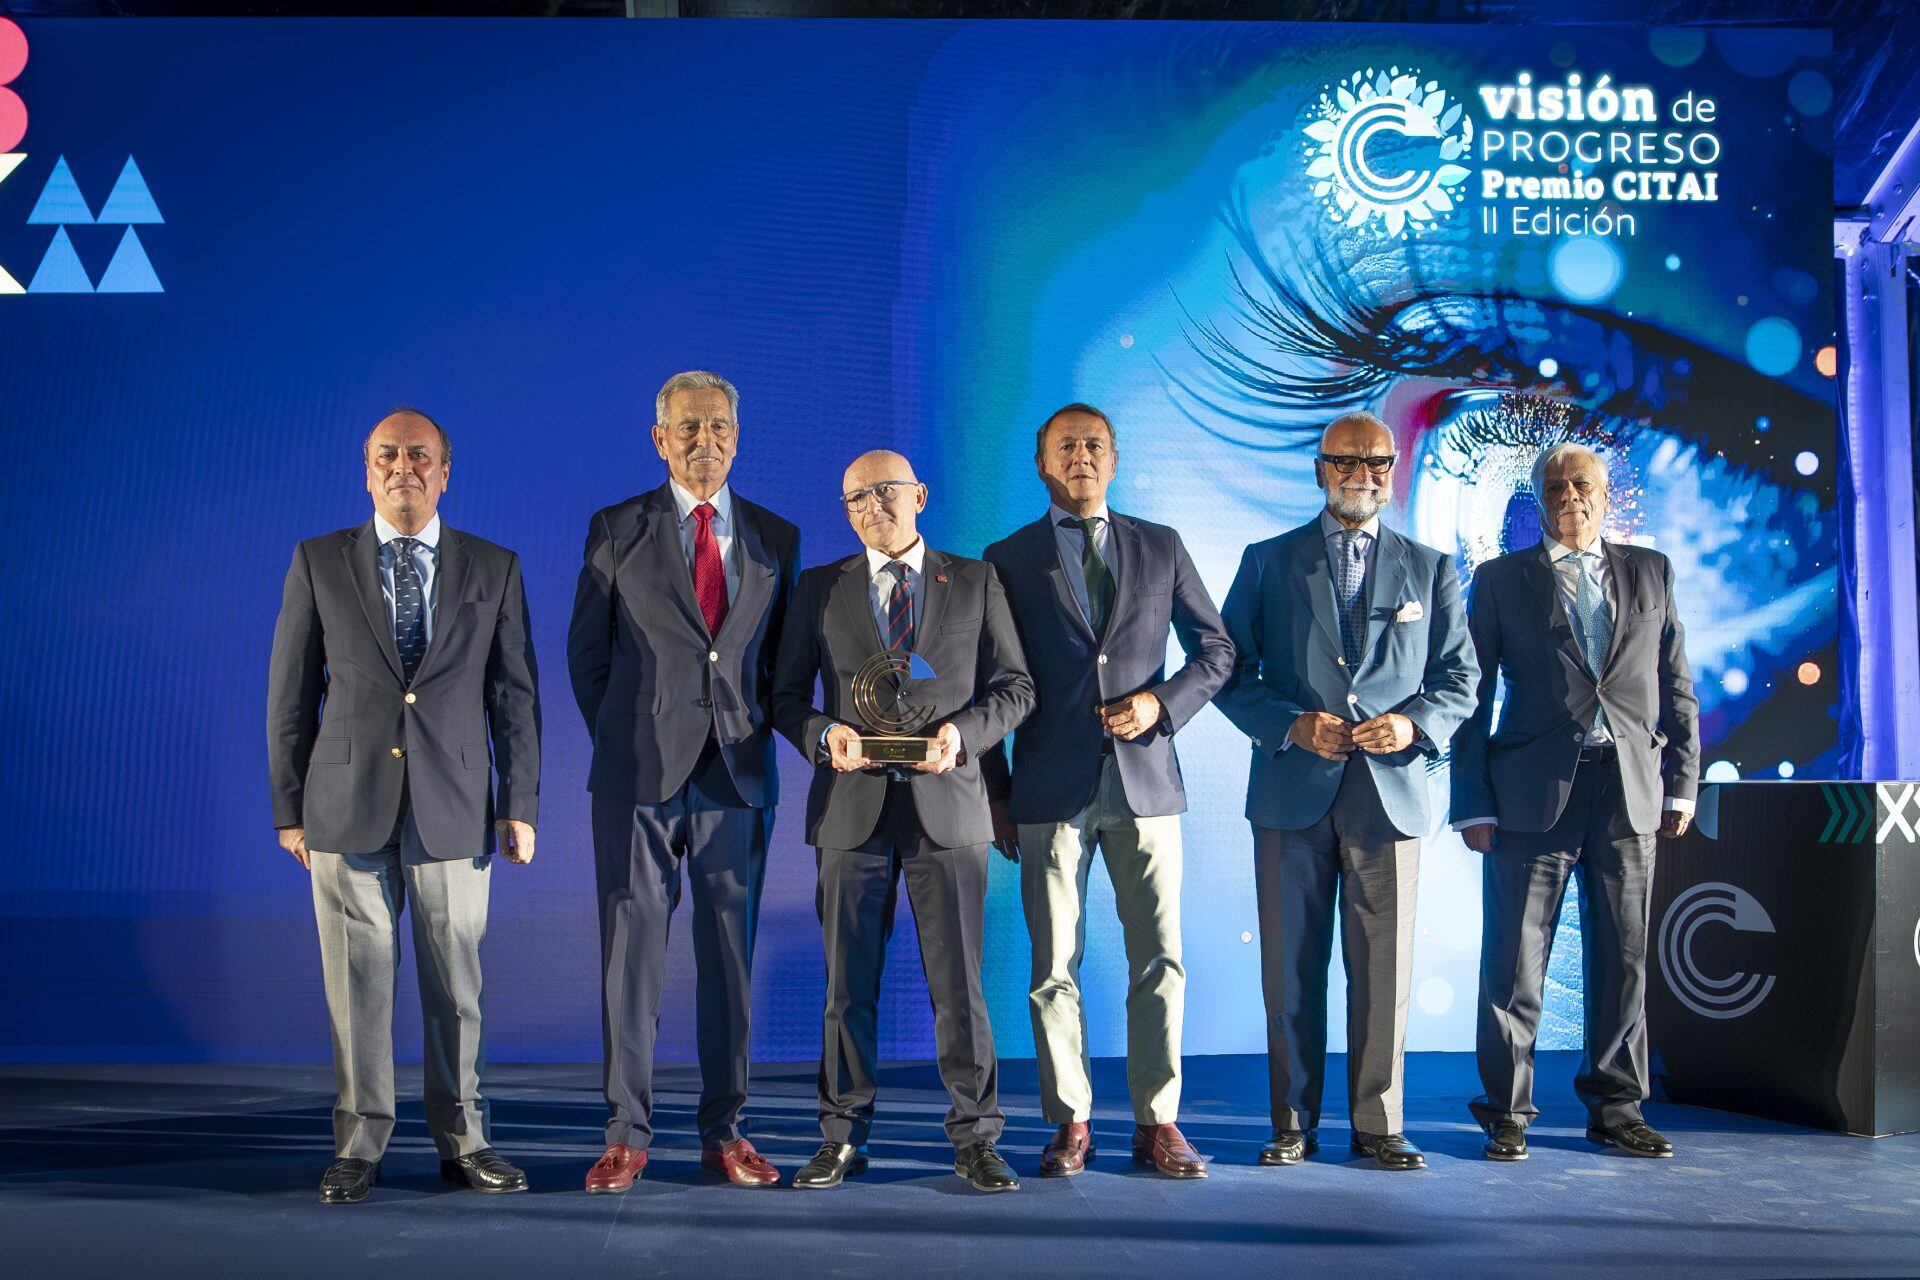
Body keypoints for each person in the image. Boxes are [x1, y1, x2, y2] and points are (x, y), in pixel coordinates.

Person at [267, 409, 540, 1204]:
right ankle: (359, 1145)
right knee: (357, 984)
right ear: (366, 471)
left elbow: (514, 696)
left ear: (445, 471)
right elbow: (291, 695)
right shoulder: (320, 561)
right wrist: (290, 810)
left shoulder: (495, 566)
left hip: (456, 808)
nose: (403, 467)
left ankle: (466, 1142)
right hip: (343, 806)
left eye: (419, 455)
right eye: (386, 455)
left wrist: (519, 801)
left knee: (458, 988)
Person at [1215, 410, 1475, 1171]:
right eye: (1348, 462)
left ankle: (1379, 1125)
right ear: (1320, 469)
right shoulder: (1267, 562)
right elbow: (1227, 670)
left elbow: (1460, 679)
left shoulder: (1431, 568)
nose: (1364, 475)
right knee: (1290, 969)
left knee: (1383, 973)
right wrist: (1293, 726)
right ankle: (1292, 1123)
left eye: (1379, 463)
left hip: (1390, 794)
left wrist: (1415, 725)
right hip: (1291, 792)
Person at [771, 450, 1035, 1192]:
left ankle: (976, 1138)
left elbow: (1015, 687)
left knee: (961, 988)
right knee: (846, 989)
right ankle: (841, 1136)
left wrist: (966, 736)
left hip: (949, 808)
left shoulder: (976, 580)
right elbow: (786, 696)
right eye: (855, 497)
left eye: (885, 492)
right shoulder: (820, 588)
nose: (871, 507)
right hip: (850, 813)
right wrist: (825, 735)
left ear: (919, 494)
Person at [981, 403, 1233, 1179]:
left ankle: (1160, 1122)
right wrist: (996, 794)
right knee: (1054, 964)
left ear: (1114, 460)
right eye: (1066, 446)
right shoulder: (1008, 558)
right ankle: (1071, 1122)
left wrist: (1162, 703)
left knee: (1160, 959)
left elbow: (1218, 651)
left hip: (1147, 783)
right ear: (1041, 463)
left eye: (1094, 445)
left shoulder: (1161, 546)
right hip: (1048, 787)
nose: (1081, 456)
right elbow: (985, 680)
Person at [567, 371, 800, 1192]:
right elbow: (587, 657)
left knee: (728, 960)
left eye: (720, 425)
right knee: (631, 956)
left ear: (739, 434)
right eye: (689, 426)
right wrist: (633, 738)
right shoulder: (616, 527)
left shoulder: (777, 536)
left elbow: (778, 664)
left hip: (735, 774)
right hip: (637, 777)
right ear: (659, 437)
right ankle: (627, 1132)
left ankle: (725, 1131)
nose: (707, 439)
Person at [1452, 442, 1700, 1162]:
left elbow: (1676, 683)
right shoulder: (1500, 580)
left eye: (1582, 482)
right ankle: (1505, 1110)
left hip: (1628, 793)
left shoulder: (1650, 570)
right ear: (1539, 499)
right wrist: (1472, 803)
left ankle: (1618, 1109)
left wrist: (1682, 782)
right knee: (1514, 962)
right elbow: (1472, 697)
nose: (1570, 494)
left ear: (1606, 493)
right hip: (1529, 796)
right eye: (1555, 485)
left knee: (1623, 959)